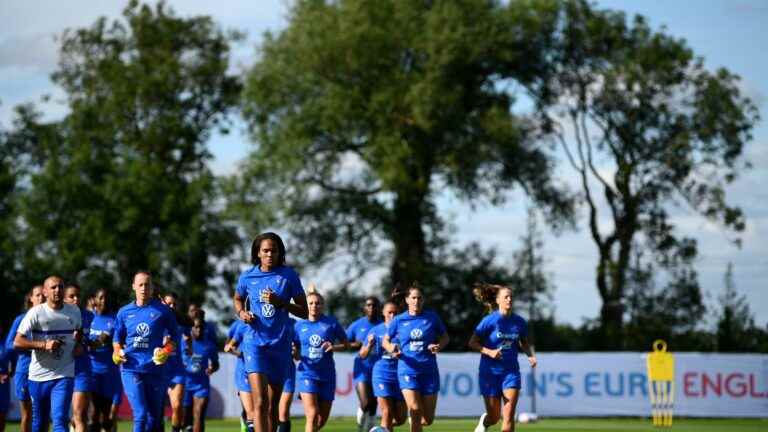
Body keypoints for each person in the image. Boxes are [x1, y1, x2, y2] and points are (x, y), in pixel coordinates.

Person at [232, 232, 308, 432]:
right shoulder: (247, 276)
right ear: (257, 253)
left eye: (274, 250)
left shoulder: (289, 276)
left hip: (280, 346)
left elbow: (305, 311)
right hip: (255, 343)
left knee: (273, 407)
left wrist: (281, 302)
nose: (269, 254)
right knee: (260, 403)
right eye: (265, 250)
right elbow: (237, 298)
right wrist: (242, 313)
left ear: (279, 252)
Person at [14, 276, 83, 432]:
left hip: (63, 374)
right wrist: (44, 345)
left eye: (60, 287)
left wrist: (80, 344)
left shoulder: (74, 311)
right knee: (39, 423)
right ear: (45, 292)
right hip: (38, 377)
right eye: (53, 287)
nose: (57, 290)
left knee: (59, 420)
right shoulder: (35, 313)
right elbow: (17, 341)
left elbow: (79, 332)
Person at [113, 271, 179, 432]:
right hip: (131, 368)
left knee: (154, 418)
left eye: (147, 284)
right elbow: (117, 338)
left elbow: (175, 339)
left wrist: (166, 350)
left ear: (152, 287)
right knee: (141, 414)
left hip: (155, 370)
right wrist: (116, 352)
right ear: (133, 287)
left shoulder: (163, 311)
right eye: (140, 284)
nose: (144, 288)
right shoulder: (124, 312)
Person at [468, 284, 536, 432]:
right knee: (494, 417)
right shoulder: (489, 321)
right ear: (498, 300)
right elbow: (472, 342)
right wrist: (489, 352)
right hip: (490, 373)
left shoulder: (519, 321)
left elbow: (523, 341)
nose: (509, 299)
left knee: (509, 414)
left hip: (511, 372)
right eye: (506, 297)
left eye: (511, 296)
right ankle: (485, 421)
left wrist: (530, 356)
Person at [382, 285, 449, 432]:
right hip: (407, 370)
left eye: (419, 298)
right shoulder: (399, 320)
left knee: (428, 419)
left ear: (423, 300)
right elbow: (385, 341)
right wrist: (392, 348)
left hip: (429, 372)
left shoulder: (432, 317)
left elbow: (445, 337)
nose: (416, 301)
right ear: (407, 300)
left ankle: (412, 421)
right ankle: (412, 418)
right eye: (413, 298)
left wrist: (438, 346)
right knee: (415, 409)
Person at [293, 289, 348, 432]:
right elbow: (296, 355)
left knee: (321, 420)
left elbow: (347, 344)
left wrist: (334, 347)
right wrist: (294, 353)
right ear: (306, 305)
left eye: (317, 303)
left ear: (322, 305)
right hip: (306, 375)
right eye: (310, 303)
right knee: (312, 415)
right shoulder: (298, 326)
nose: (314, 306)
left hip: (327, 376)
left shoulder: (331, 323)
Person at [360, 300, 407, 432]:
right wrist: (369, 345)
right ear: (383, 313)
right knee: (386, 412)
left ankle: (379, 429)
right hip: (382, 375)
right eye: (389, 312)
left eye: (395, 313)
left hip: (400, 375)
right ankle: (383, 427)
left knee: (401, 419)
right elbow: (362, 354)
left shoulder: (403, 330)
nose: (392, 316)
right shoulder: (376, 330)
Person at [6, 286, 45, 432]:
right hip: (24, 371)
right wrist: (31, 346)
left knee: (42, 415)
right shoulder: (21, 319)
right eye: (37, 295)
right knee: (27, 415)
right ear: (31, 298)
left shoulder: (51, 320)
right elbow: (10, 344)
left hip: (44, 372)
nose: (41, 298)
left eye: (43, 295)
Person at [346, 297, 382, 432]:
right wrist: (357, 344)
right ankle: (361, 426)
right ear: (364, 308)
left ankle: (369, 427)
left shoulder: (384, 325)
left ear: (379, 308)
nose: (372, 308)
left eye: (375, 305)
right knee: (365, 403)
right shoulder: (356, 325)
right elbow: (346, 343)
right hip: (362, 368)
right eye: (369, 305)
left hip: (379, 369)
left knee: (373, 405)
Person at [88, 288, 121, 432]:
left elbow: (121, 342)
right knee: (93, 412)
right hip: (91, 371)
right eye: (100, 297)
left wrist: (111, 342)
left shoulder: (115, 319)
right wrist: (94, 342)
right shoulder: (89, 318)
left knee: (106, 415)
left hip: (109, 372)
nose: (104, 300)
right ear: (95, 300)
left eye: (106, 297)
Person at [64, 285, 94, 432]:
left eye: (78, 296)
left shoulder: (89, 316)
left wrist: (85, 343)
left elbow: (93, 341)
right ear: (64, 298)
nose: (76, 299)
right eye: (71, 296)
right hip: (59, 371)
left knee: (79, 414)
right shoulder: (55, 316)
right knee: (61, 417)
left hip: (81, 371)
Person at [182, 317, 219, 432]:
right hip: (184, 385)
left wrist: (212, 369)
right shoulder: (181, 342)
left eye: (201, 328)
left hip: (201, 386)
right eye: (196, 327)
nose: (198, 330)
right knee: (185, 420)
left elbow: (216, 363)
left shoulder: (209, 345)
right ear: (190, 328)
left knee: (198, 415)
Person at [161, 292, 189, 432]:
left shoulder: (181, 323)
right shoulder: (155, 321)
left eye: (174, 304)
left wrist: (188, 345)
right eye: (169, 303)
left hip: (176, 370)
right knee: (157, 411)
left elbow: (190, 324)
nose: (172, 306)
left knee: (177, 406)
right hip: (159, 371)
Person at [223, 318, 251, 432]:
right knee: (248, 409)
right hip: (243, 370)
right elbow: (227, 346)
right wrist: (238, 353)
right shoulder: (238, 325)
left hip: (262, 370)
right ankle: (244, 419)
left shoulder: (266, 322)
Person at [277, 317, 297, 432]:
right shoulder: (264, 320)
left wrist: (296, 351)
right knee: (269, 409)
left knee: (283, 411)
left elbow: (298, 355)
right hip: (269, 370)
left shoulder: (293, 324)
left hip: (287, 371)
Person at [0, 323, 11, 432]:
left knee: (2, 414)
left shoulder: (5, 344)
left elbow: (13, 358)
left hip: (4, 384)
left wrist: (10, 372)